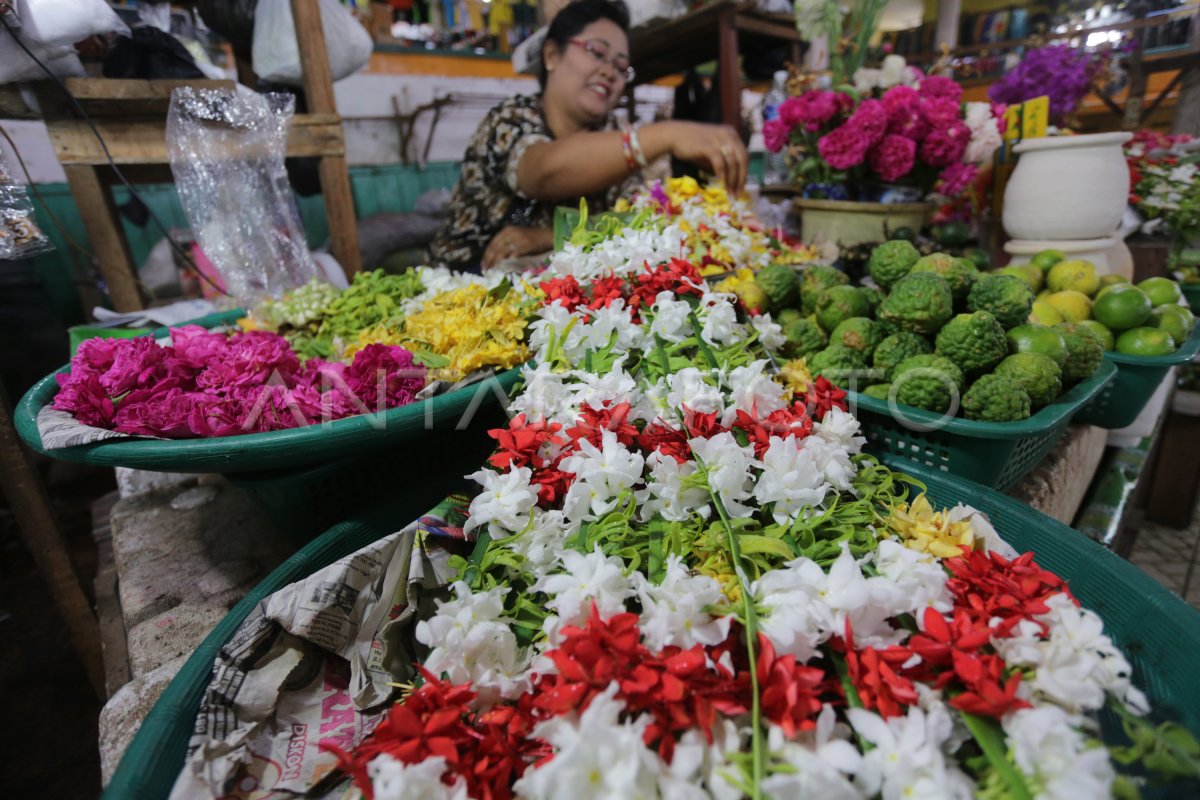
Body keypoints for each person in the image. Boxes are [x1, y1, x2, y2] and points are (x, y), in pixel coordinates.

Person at [427, 0, 749, 272]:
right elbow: (542, 172)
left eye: (622, 67)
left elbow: (634, 219)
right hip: (460, 285)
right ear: (552, 55)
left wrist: (551, 236)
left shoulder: (609, 138)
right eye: (597, 52)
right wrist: (667, 134)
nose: (610, 71)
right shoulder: (510, 119)